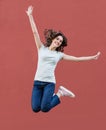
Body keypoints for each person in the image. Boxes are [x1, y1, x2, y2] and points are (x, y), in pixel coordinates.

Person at [26, 6, 101, 113]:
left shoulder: (59, 55)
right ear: (53, 38)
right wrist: (30, 16)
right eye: (57, 39)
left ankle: (60, 93)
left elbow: (77, 59)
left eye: (60, 41)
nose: (58, 41)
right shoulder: (41, 48)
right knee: (35, 108)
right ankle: (50, 96)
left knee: (45, 108)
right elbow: (35, 32)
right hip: (37, 82)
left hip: (49, 83)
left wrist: (92, 57)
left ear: (61, 44)